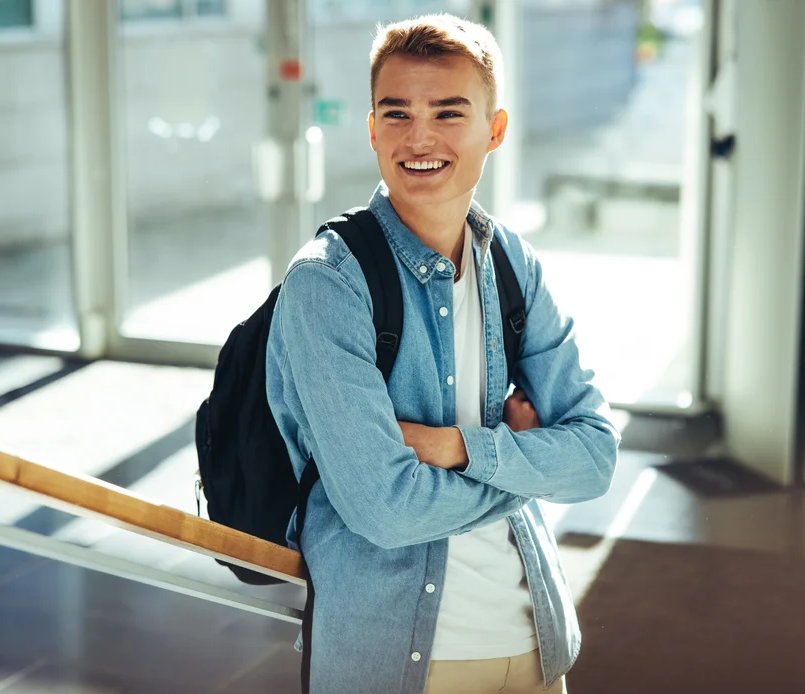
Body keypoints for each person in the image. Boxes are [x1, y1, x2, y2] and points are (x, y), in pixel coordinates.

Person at [265, 13, 620, 694]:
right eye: (395, 113)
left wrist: (458, 447)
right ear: (371, 129)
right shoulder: (328, 284)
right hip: (398, 663)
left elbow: (597, 457)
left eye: (448, 112)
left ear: (496, 129)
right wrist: (525, 463)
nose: (418, 137)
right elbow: (385, 509)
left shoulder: (515, 265)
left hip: (536, 642)